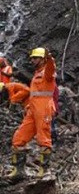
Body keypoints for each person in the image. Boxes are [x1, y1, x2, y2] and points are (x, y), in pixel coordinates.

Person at [10, 47, 56, 180]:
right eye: (31, 58)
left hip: (44, 109)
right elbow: (34, 93)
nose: (32, 60)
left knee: (44, 140)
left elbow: (51, 69)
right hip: (33, 109)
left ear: (42, 59)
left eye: (35, 58)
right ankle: (18, 171)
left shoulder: (47, 72)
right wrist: (29, 106)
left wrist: (50, 59)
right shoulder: (37, 73)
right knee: (18, 139)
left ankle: (43, 171)